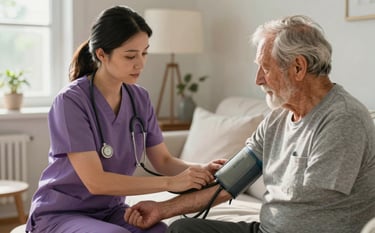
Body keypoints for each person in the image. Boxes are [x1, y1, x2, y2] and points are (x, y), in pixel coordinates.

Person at [124, 15, 375, 233]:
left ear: (298, 67)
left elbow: (311, 206)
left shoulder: (343, 119)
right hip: (268, 229)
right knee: (182, 229)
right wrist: (162, 209)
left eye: (265, 68)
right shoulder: (277, 118)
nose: (257, 80)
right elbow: (229, 182)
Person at [25, 5, 224, 233]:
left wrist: (201, 170)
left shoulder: (140, 98)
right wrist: (171, 183)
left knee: (161, 231)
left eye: (144, 53)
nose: (140, 63)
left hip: (111, 211)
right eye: (130, 55)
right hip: (61, 213)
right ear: (101, 54)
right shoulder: (71, 101)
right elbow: (96, 182)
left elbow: (164, 161)